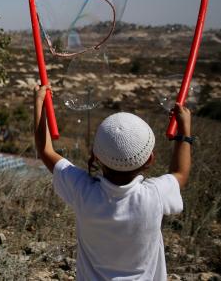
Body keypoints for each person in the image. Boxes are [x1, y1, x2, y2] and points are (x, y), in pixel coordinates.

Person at [33, 85, 191, 281]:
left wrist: (39, 102)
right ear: (149, 160)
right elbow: (180, 173)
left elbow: (45, 150)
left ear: (97, 157)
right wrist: (184, 130)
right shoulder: (155, 195)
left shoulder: (82, 191)